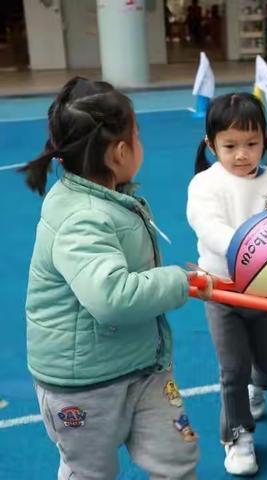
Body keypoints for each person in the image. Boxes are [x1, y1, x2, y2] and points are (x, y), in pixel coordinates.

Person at [19, 76, 212, 480]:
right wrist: (178, 281)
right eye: (137, 135)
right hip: (82, 386)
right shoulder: (81, 217)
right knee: (89, 471)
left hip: (144, 366)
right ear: (120, 151)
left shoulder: (108, 196)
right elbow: (112, 297)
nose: (141, 142)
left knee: (177, 456)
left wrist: (178, 281)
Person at [186, 92, 267, 476]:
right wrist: (250, 249)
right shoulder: (204, 185)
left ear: (265, 139)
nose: (242, 154)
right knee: (232, 368)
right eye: (230, 145)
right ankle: (237, 435)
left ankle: (260, 386)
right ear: (211, 144)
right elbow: (209, 227)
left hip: (265, 295)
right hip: (221, 291)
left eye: (251, 144)